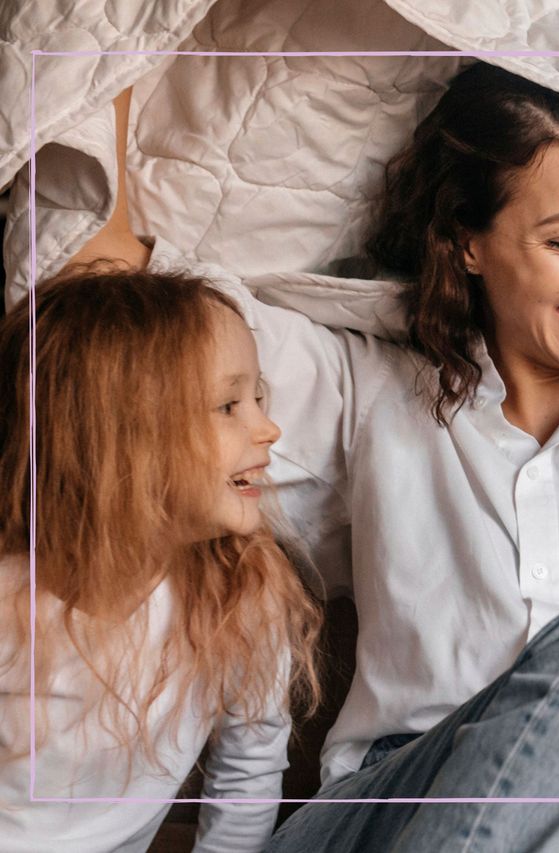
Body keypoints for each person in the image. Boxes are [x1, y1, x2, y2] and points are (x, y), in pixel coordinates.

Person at [72, 65, 559, 851]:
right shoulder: (370, 389)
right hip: (375, 812)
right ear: (468, 244)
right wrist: (107, 55)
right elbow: (108, 300)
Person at [0, 269, 321, 852]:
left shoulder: (244, 595)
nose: (268, 429)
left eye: (258, 399)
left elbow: (247, 773)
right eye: (228, 405)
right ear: (121, 436)